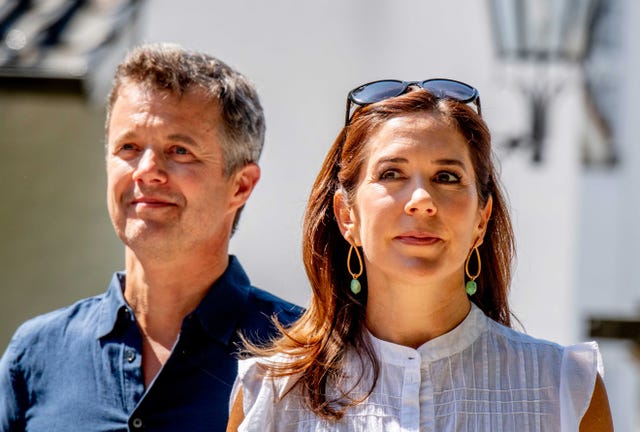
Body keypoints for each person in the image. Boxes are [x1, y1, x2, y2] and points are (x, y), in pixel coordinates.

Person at [227, 79, 613, 431]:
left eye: (447, 177)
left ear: (482, 219)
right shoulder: (271, 394)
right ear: (347, 216)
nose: (422, 201)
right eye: (392, 174)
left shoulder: (565, 389)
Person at [0, 43, 303, 431]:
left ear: (241, 186)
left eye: (178, 150)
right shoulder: (38, 353)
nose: (146, 170)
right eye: (128, 147)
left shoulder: (303, 356)